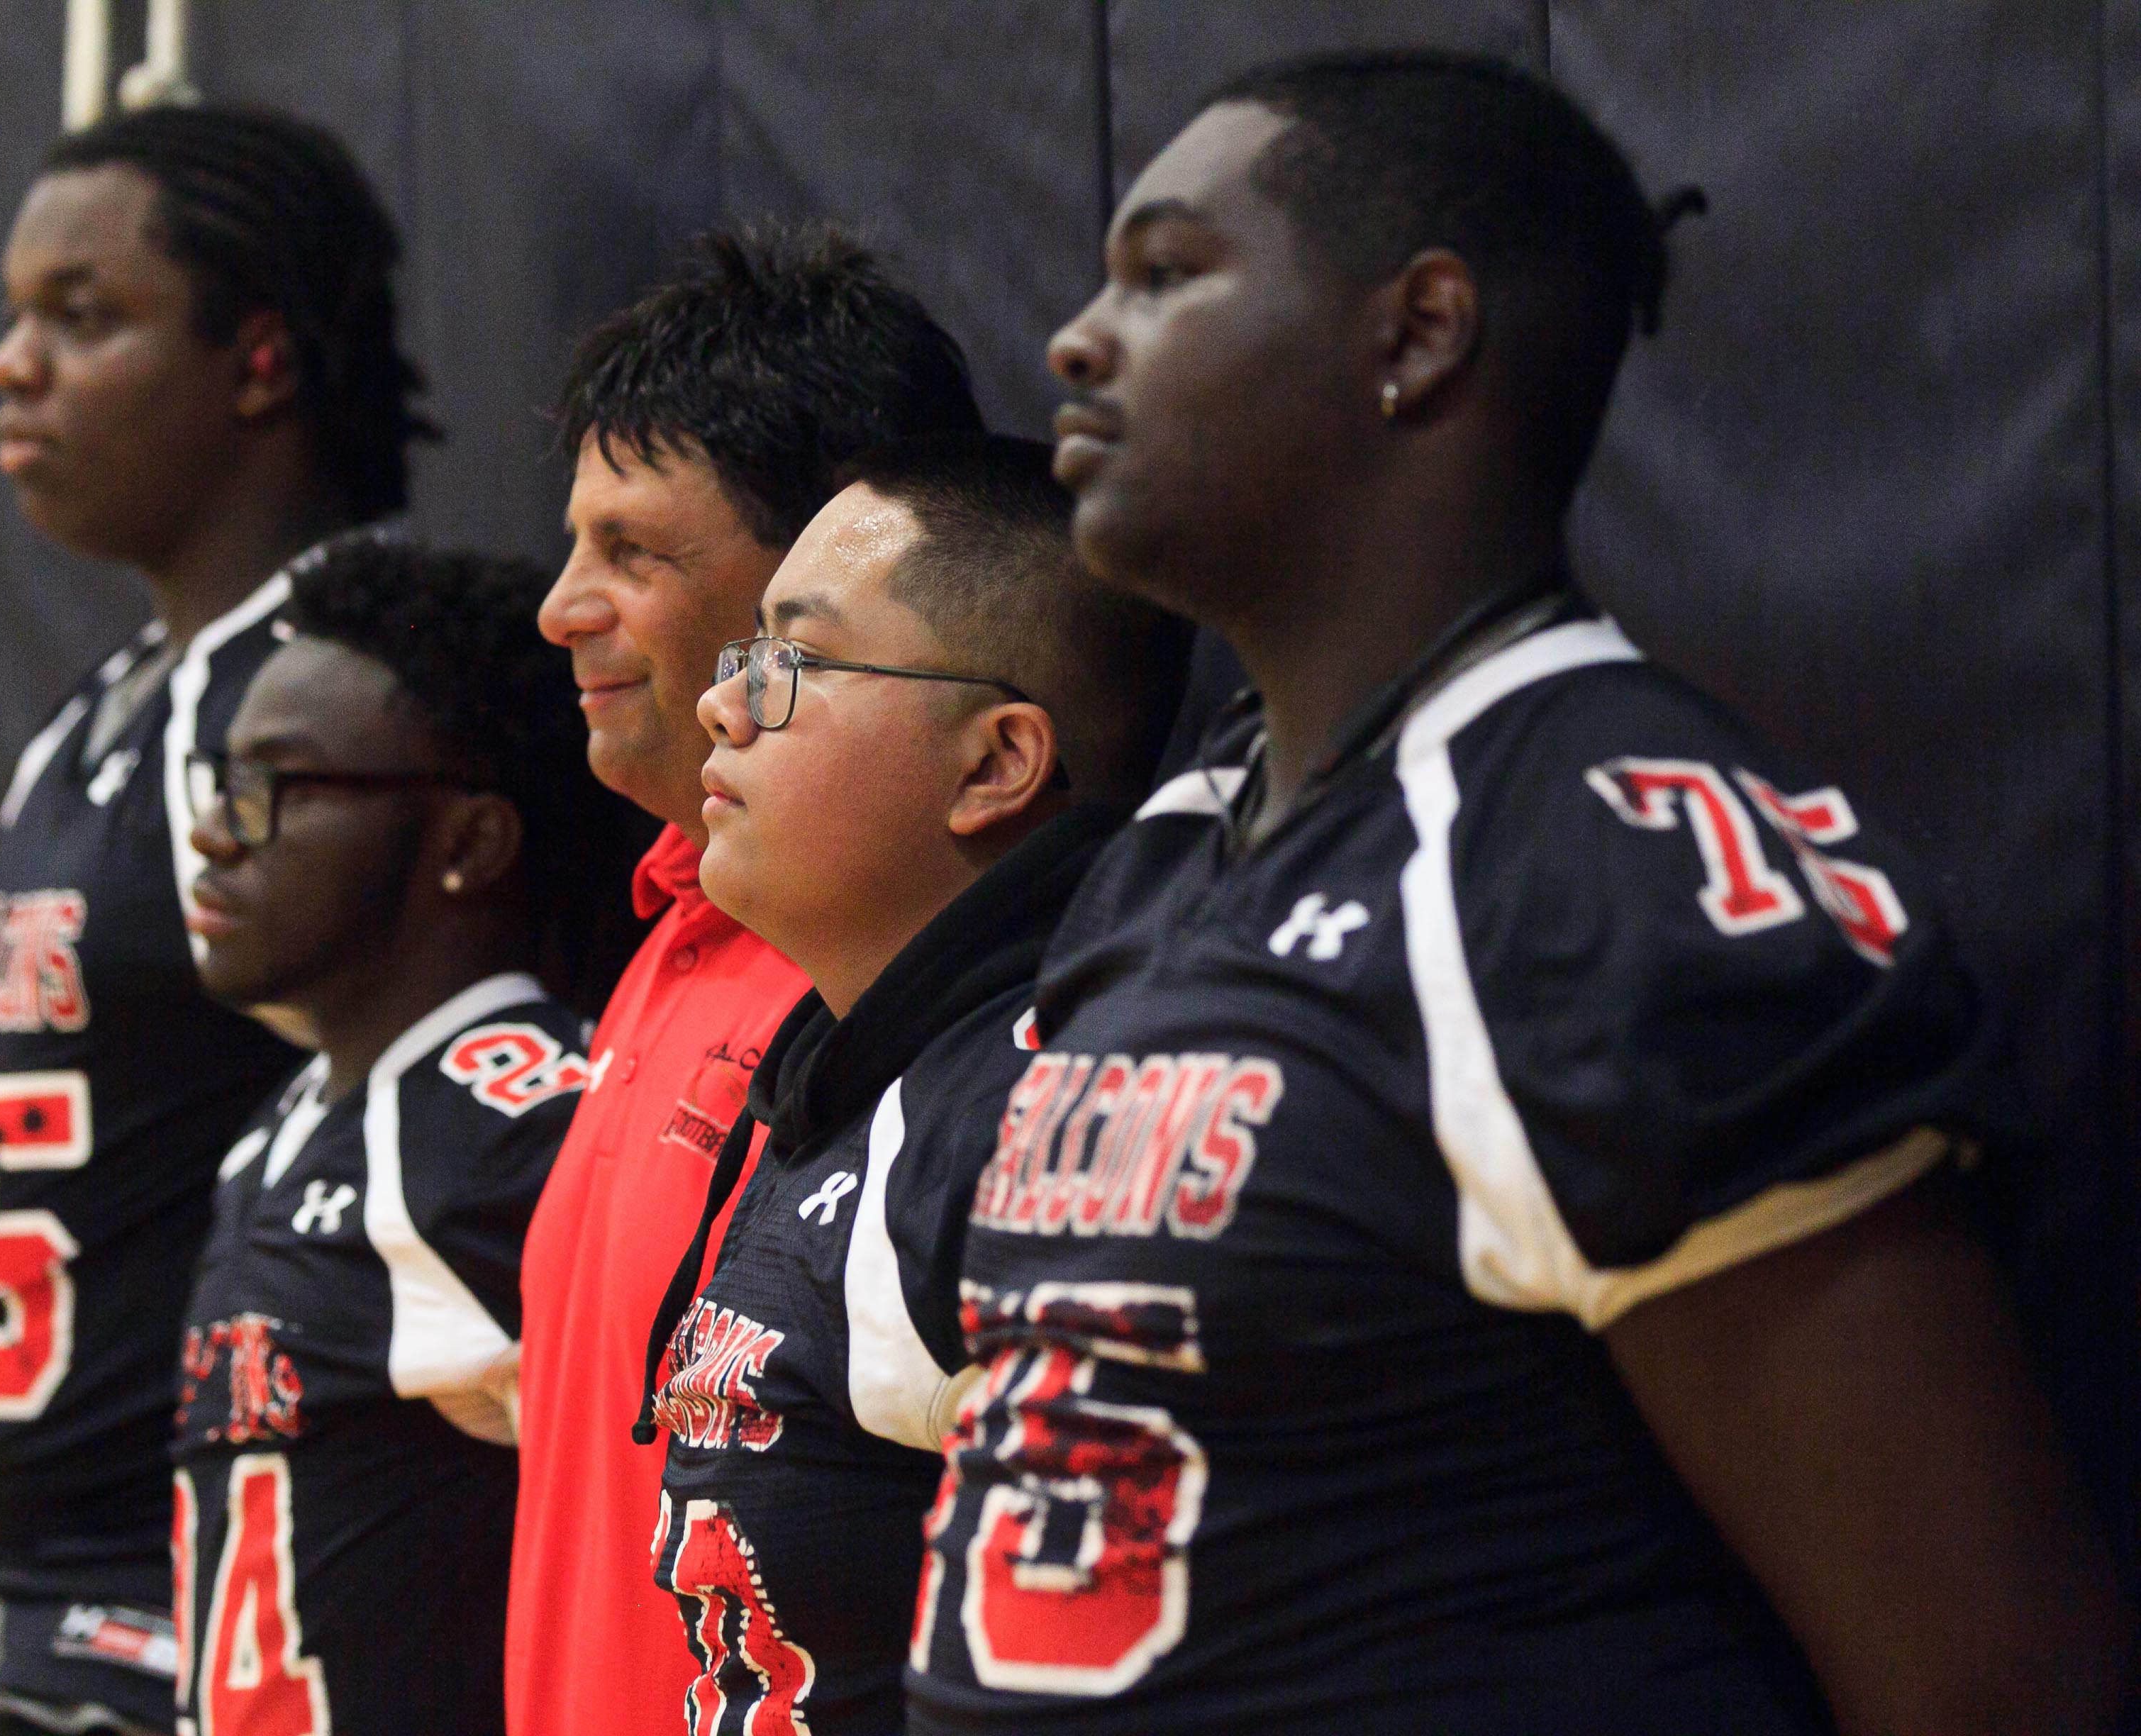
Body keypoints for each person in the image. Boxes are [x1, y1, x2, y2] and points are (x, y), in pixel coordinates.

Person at [910, 49, 2132, 1736]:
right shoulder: (1174, 851)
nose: (1074, 340)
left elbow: (1989, 1681)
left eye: (1169, 275)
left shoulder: (1603, 865)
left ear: (1416, 334)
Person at [0, 104, 429, 1736]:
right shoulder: (97, 710)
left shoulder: (331, 704)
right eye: (14, 317)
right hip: (34, 1590)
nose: (15, 363)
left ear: (260, 360)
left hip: (202, 1601)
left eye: (85, 318)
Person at [511, 221, 984, 1736]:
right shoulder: (667, 926)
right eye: (572, 543)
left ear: (835, 569)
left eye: (634, 552)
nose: (560, 606)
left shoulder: (912, 991)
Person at [638, 433, 1185, 1736]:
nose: (725, 704)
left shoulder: (1033, 1119)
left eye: (794, 662)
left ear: (996, 763)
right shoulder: (848, 1084)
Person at [171, 529, 628, 1735]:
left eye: (284, 786)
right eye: (220, 782)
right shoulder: (289, 1122)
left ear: (469, 841)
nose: (219, 831)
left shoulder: (518, 1127)